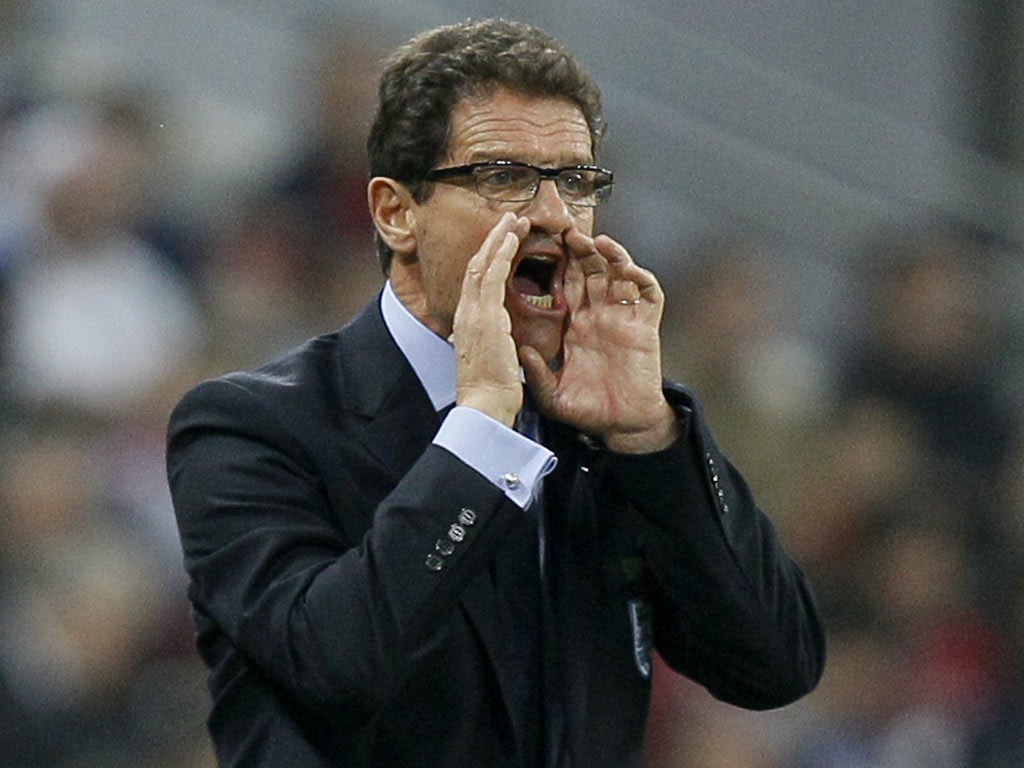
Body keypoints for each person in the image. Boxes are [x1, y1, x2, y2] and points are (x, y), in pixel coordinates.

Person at [166, 18, 825, 768]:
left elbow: (776, 666)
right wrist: (480, 435)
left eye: (576, 182)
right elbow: (334, 665)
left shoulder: (605, 433)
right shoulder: (253, 426)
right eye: (503, 176)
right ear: (395, 212)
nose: (552, 216)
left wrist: (651, 440)